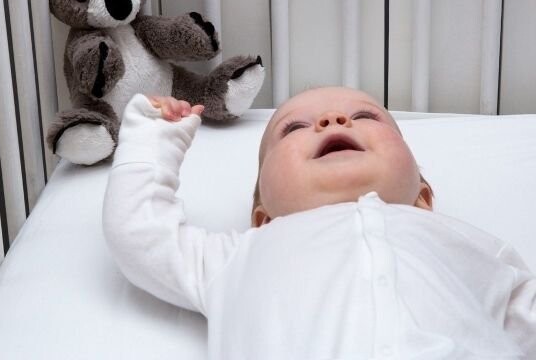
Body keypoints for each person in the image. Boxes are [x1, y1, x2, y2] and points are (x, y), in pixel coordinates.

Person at [102, 87, 536, 359]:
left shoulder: (469, 244)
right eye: (293, 128)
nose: (332, 121)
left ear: (423, 198)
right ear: (262, 218)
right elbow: (141, 233)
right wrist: (153, 139)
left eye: (365, 117)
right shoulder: (240, 257)